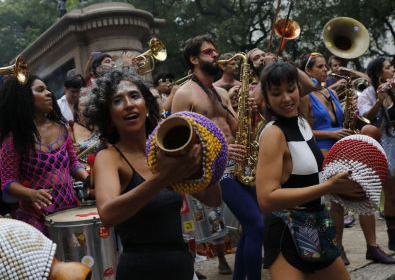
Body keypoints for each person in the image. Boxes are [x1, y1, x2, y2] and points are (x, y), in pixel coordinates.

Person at [84, 69, 222, 280]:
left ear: (147, 105)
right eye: (117, 101)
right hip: (140, 271)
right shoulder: (109, 157)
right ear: (108, 115)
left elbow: (213, 199)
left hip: (182, 268)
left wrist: (203, 159)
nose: (129, 104)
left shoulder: (166, 148)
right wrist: (164, 178)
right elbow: (108, 214)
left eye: (134, 96)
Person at [255, 60, 366, 279]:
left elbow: (307, 169)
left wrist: (343, 173)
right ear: (266, 99)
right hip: (286, 231)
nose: (286, 98)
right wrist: (328, 187)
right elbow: (266, 199)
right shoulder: (272, 134)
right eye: (276, 93)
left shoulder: (302, 122)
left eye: (291, 89)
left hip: (316, 223)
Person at [172, 34, 264, 280]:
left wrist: (247, 111)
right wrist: (222, 149)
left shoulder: (221, 94)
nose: (216, 55)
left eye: (215, 51)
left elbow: (236, 129)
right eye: (208, 52)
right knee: (256, 224)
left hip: (240, 165)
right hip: (217, 169)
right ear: (193, 59)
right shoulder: (184, 94)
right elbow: (178, 144)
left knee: (253, 224)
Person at [300, 52, 395, 265]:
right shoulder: (306, 96)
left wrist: (352, 111)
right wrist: (331, 134)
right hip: (326, 150)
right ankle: (338, 247)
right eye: (320, 66)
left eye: (326, 66)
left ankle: (372, 247)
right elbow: (304, 129)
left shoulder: (331, 93)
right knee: (337, 203)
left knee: (365, 192)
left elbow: (353, 118)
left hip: (345, 146)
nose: (326, 70)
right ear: (307, 71)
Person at [0, 75, 89, 234]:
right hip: (36, 218)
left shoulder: (63, 128)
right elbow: (7, 182)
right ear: (24, 97)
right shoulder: (14, 139)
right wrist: (31, 194)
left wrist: (88, 178)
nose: (49, 93)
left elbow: (74, 164)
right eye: (41, 90)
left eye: (47, 89)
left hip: (69, 211)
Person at [357, 57, 395, 252]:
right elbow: (366, 117)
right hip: (384, 144)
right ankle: (392, 235)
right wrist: (380, 99)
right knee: (391, 192)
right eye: (388, 68)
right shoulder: (367, 94)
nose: (393, 70)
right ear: (379, 74)